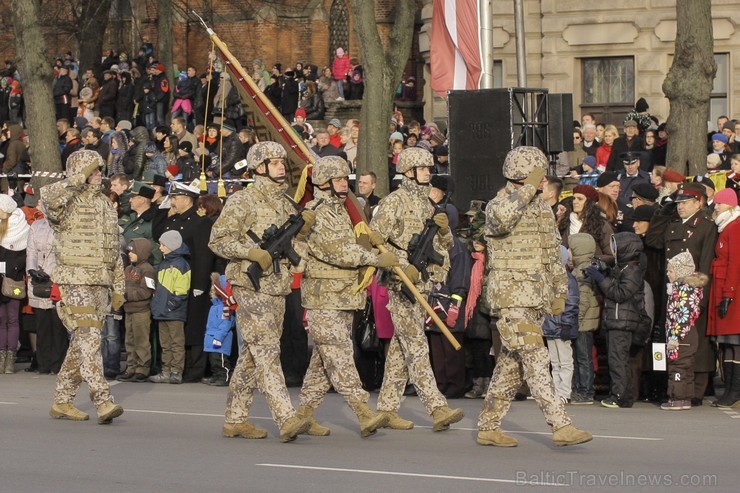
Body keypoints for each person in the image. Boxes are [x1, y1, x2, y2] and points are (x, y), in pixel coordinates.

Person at [477, 146, 591, 448]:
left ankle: (488, 426)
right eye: (535, 174)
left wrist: (558, 291)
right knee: (536, 356)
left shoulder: (540, 207)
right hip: (511, 297)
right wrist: (528, 189)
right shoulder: (498, 205)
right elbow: (502, 219)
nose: (542, 180)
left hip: (536, 296)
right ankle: (560, 424)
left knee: (511, 364)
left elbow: (551, 252)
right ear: (519, 176)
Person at [208, 141, 311, 442]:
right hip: (249, 286)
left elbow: (297, 250)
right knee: (266, 351)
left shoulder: (286, 203)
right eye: (274, 161)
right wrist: (251, 252)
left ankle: (235, 419)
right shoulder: (243, 201)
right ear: (259, 167)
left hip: (277, 287)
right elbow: (218, 241)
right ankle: (286, 417)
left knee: (251, 356)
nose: (281, 165)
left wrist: (303, 234)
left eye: (282, 160)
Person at [296, 156, 396, 437]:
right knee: (339, 355)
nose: (345, 183)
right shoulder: (316, 212)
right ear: (324, 182)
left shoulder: (342, 211)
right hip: (323, 297)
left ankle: (303, 414)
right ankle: (363, 411)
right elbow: (337, 251)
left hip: (343, 296)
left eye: (345, 178)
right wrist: (375, 258)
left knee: (323, 361)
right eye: (339, 179)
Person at [367, 147, 464, 432]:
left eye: (427, 168)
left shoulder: (428, 205)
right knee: (416, 346)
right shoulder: (393, 202)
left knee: (401, 347)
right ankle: (437, 407)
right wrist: (401, 263)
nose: (427, 172)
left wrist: (445, 232)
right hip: (401, 284)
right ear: (408, 171)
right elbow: (377, 243)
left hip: (422, 283)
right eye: (422, 168)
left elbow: (444, 247)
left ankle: (386, 408)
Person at [42, 150, 124, 424]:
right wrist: (76, 177)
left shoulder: (104, 204)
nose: (99, 174)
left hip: (100, 281)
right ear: (80, 171)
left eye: (99, 169)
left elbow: (115, 249)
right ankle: (102, 400)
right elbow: (48, 196)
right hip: (74, 278)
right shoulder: (66, 200)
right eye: (93, 169)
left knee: (81, 343)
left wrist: (119, 288)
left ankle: (62, 401)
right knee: (89, 337)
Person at [585, 232, 648, 409]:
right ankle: (625, 395)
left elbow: (620, 294)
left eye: (616, 247)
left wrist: (602, 279)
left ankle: (619, 395)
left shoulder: (633, 270)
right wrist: (604, 272)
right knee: (618, 358)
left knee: (618, 359)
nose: (614, 251)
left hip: (623, 320)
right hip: (617, 318)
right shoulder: (623, 267)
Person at [661, 252, 708, 410]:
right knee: (687, 367)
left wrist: (674, 337)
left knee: (678, 366)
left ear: (680, 272)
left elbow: (683, 317)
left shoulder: (684, 291)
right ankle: (686, 398)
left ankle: (677, 398)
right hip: (688, 335)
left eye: (671, 270)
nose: (668, 273)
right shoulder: (686, 289)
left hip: (682, 336)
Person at [708, 188, 740, 407]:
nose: (715, 207)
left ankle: (734, 390)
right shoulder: (726, 226)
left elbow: (735, 263)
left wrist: (728, 294)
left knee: (734, 343)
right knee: (727, 344)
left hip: (732, 293)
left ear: (729, 204)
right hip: (723, 290)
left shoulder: (734, 227)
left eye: (719, 204)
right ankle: (729, 389)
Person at [149, 231, 190, 384]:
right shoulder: (164, 263)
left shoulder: (181, 264)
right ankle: (166, 370)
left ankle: (176, 371)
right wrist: (157, 305)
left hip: (174, 312)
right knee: (165, 344)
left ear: (172, 245)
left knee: (176, 342)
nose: (160, 248)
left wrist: (171, 305)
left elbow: (182, 290)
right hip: (162, 311)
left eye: (163, 244)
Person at [543, 246, 579, 404]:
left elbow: (571, 303)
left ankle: (565, 392)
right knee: (554, 361)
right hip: (549, 326)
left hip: (560, 325)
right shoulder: (549, 278)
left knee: (564, 361)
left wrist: (566, 324)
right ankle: (557, 391)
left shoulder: (567, 279)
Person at [117, 237, 155, 383]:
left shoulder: (148, 270)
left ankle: (142, 368)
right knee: (130, 341)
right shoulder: (128, 269)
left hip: (141, 311)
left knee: (142, 341)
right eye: (129, 252)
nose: (130, 254)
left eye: (133, 252)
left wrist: (126, 295)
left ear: (142, 252)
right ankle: (131, 367)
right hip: (129, 310)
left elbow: (146, 292)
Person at [568, 233, 601, 404]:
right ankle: (580, 388)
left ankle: (585, 391)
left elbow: (584, 300)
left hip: (583, 323)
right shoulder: (581, 269)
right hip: (583, 322)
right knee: (581, 357)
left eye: (571, 249)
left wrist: (574, 321)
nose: (568, 253)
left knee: (583, 357)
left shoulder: (583, 272)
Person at [0, 194, 29, 374]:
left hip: (14, 279)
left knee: (12, 319)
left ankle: (11, 356)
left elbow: (25, 255)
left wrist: (13, 269)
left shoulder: (22, 227)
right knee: (1, 320)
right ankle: (1, 354)